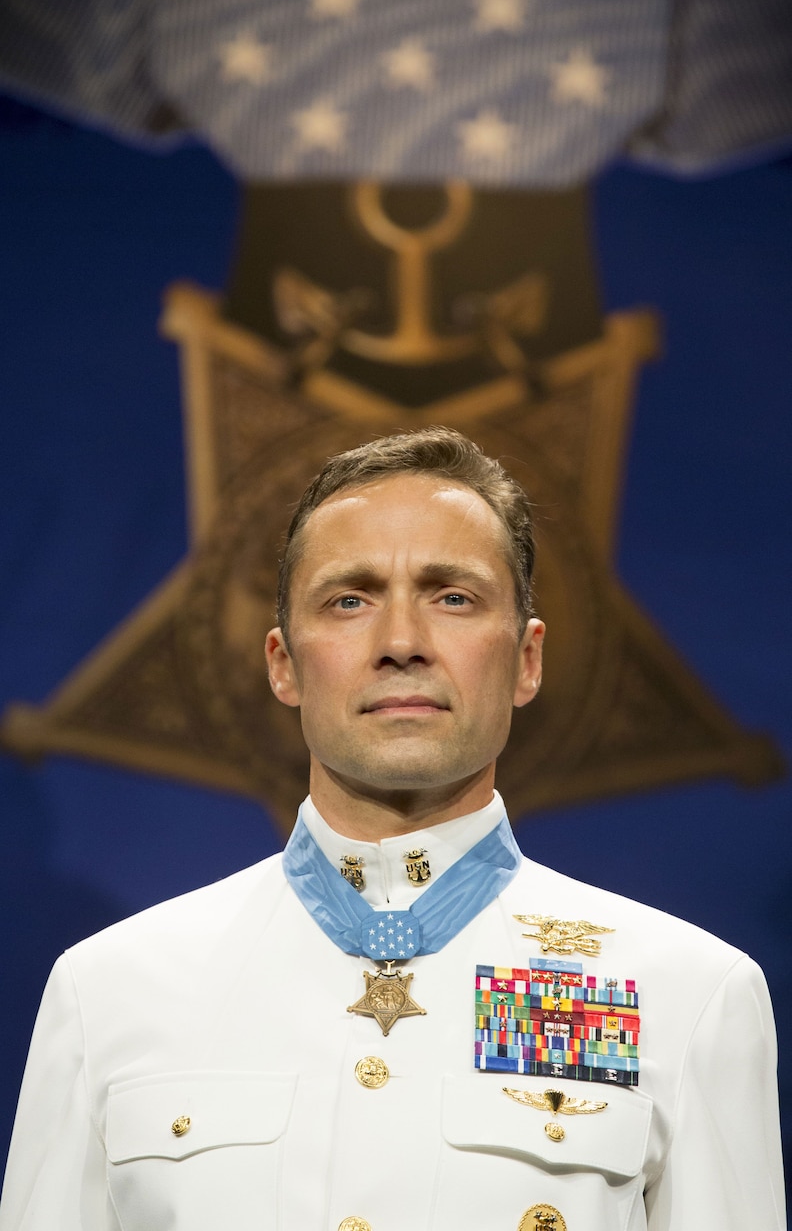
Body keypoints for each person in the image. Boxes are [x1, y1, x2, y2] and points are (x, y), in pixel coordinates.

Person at [0, 428, 784, 1231]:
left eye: (453, 597)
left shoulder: (688, 998)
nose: (401, 644)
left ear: (526, 660)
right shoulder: (105, 993)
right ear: (282, 664)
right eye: (350, 599)